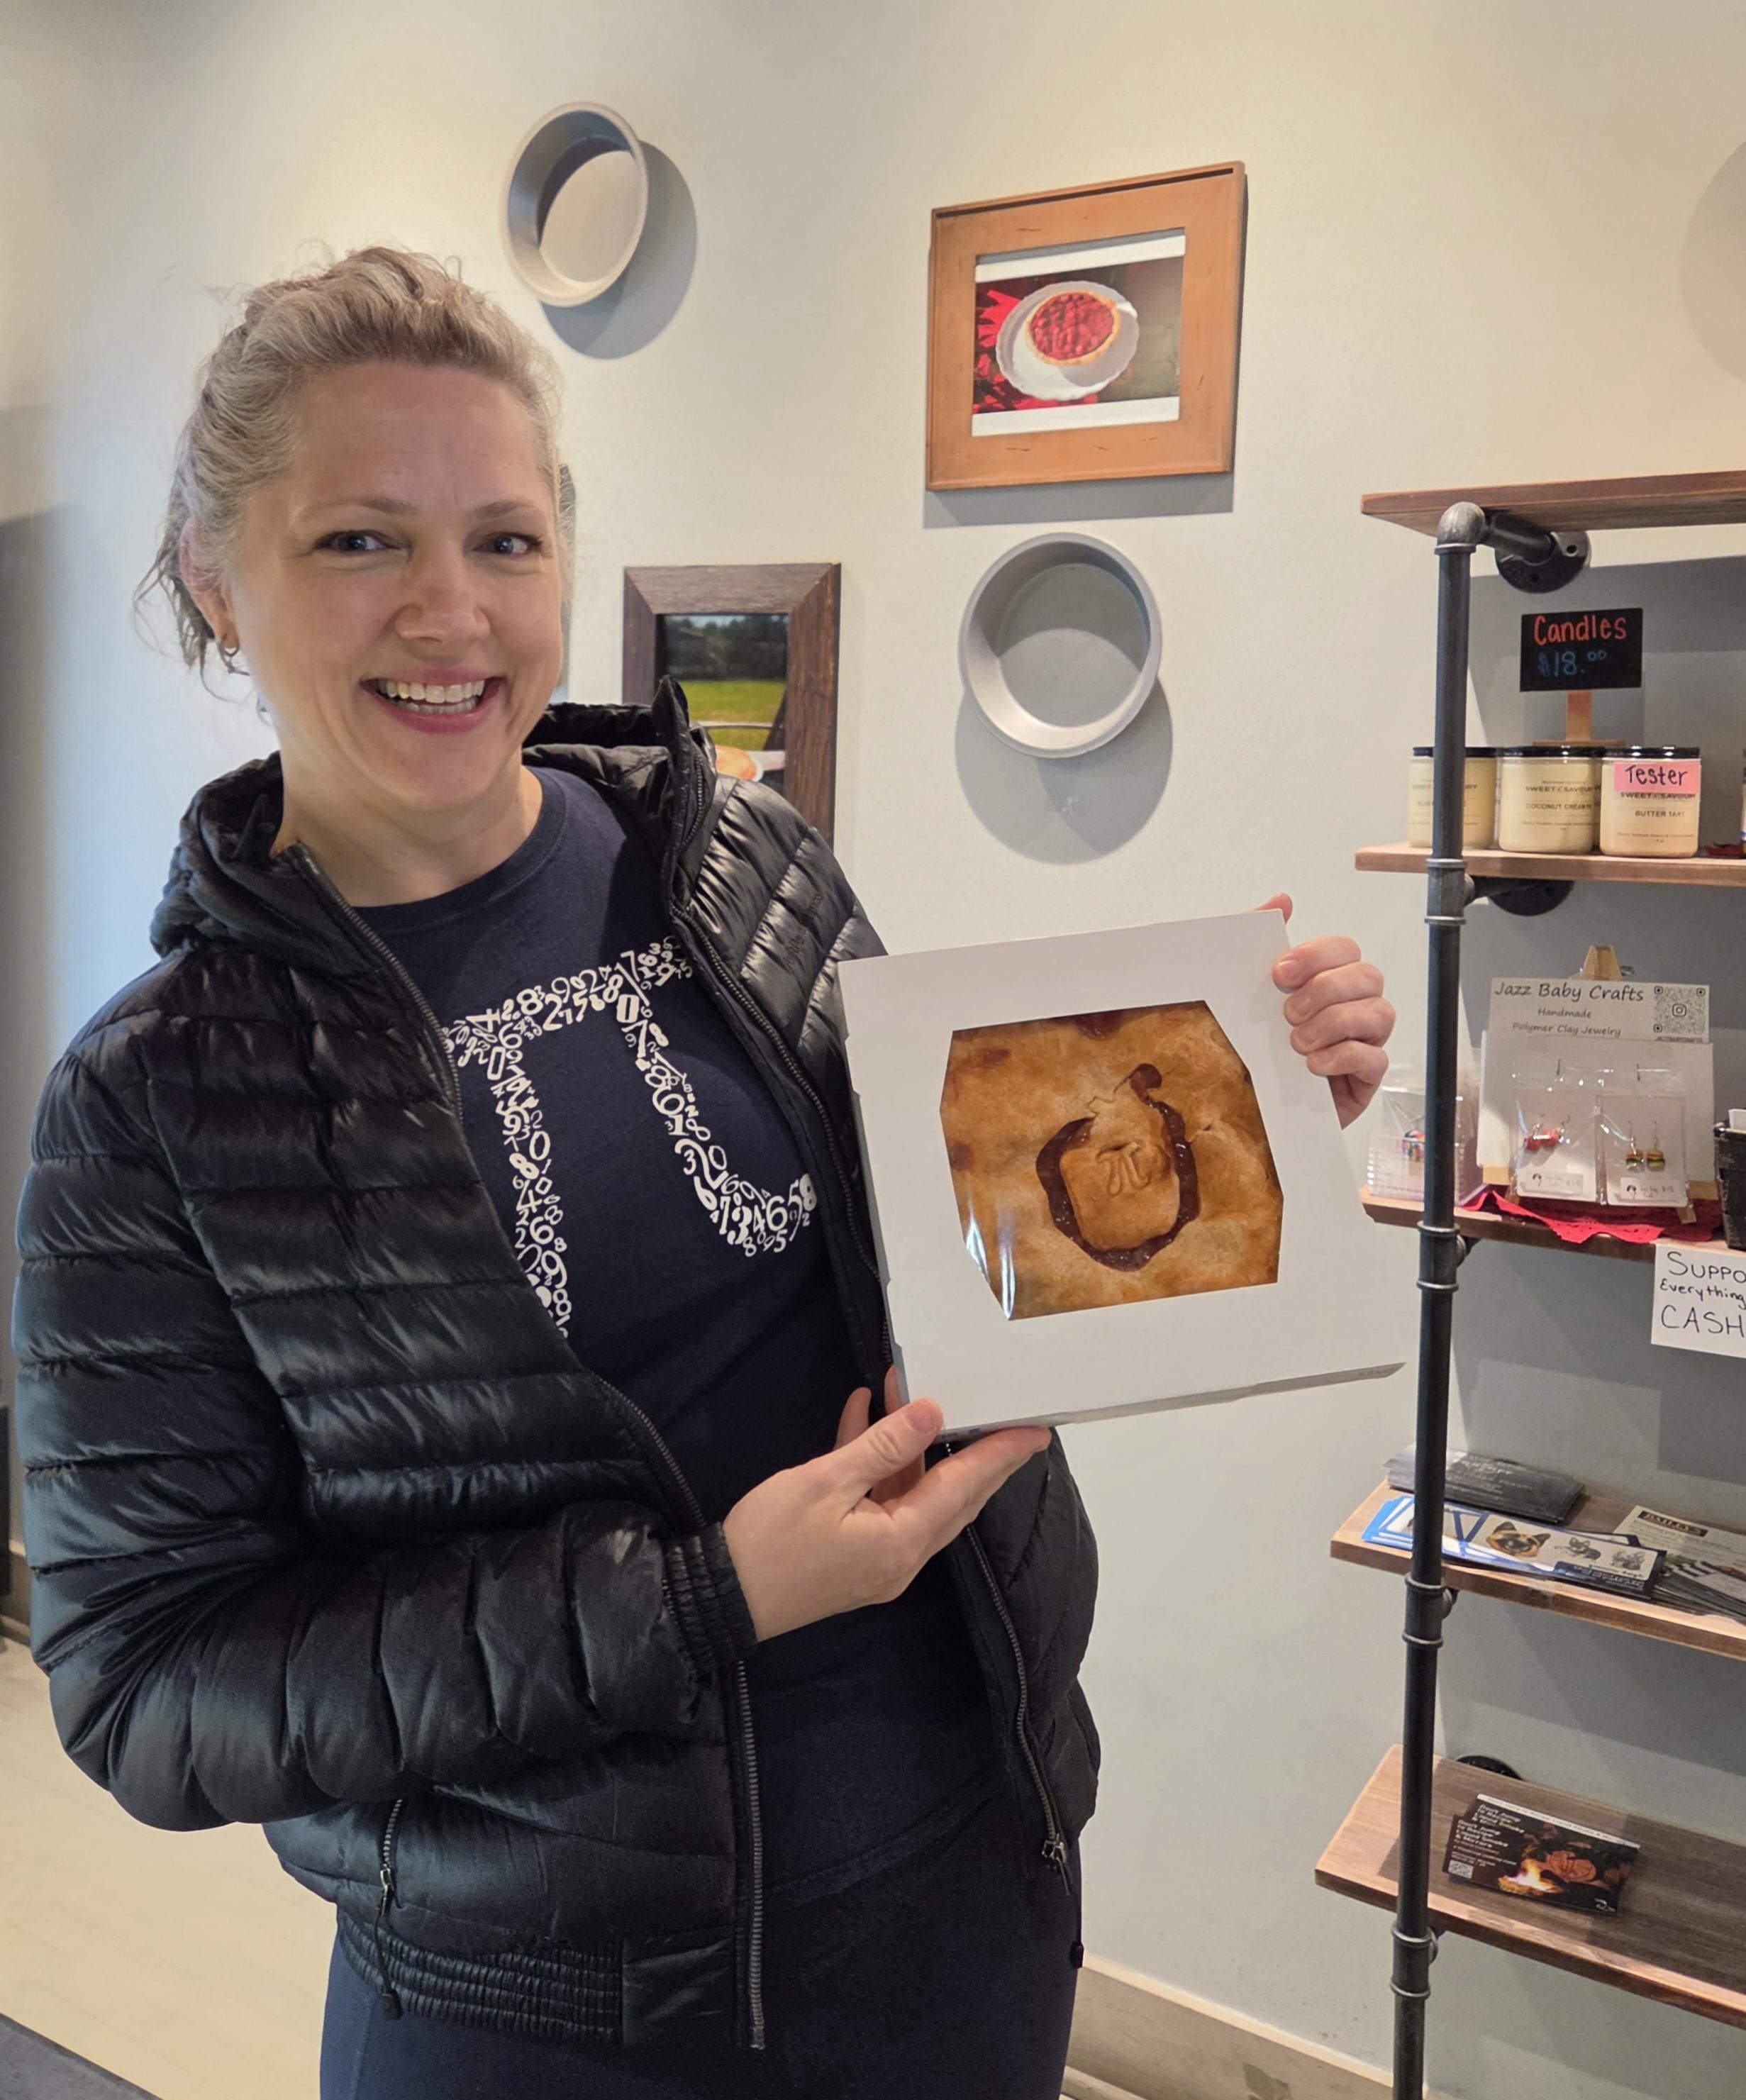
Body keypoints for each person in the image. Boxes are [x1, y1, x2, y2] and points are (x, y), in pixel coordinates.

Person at [10, 246, 1396, 2100]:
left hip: (971, 1870)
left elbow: (970, 1244)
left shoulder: (747, 863)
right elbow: (146, 1690)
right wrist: (704, 1596)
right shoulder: (157, 1101)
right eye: (361, 541)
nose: (453, 612)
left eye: (504, 539)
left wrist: (1250, 1108)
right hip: (546, 2014)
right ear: (216, 574)